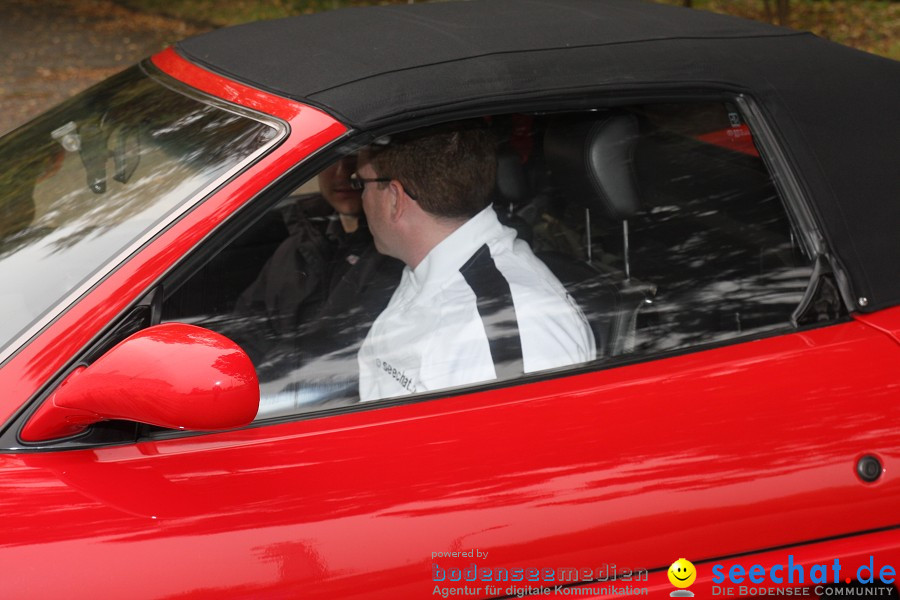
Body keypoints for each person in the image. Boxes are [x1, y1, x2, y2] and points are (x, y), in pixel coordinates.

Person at [355, 125, 596, 402]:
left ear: (395, 199)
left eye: (361, 184)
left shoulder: (508, 323)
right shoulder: (429, 271)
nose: (361, 197)